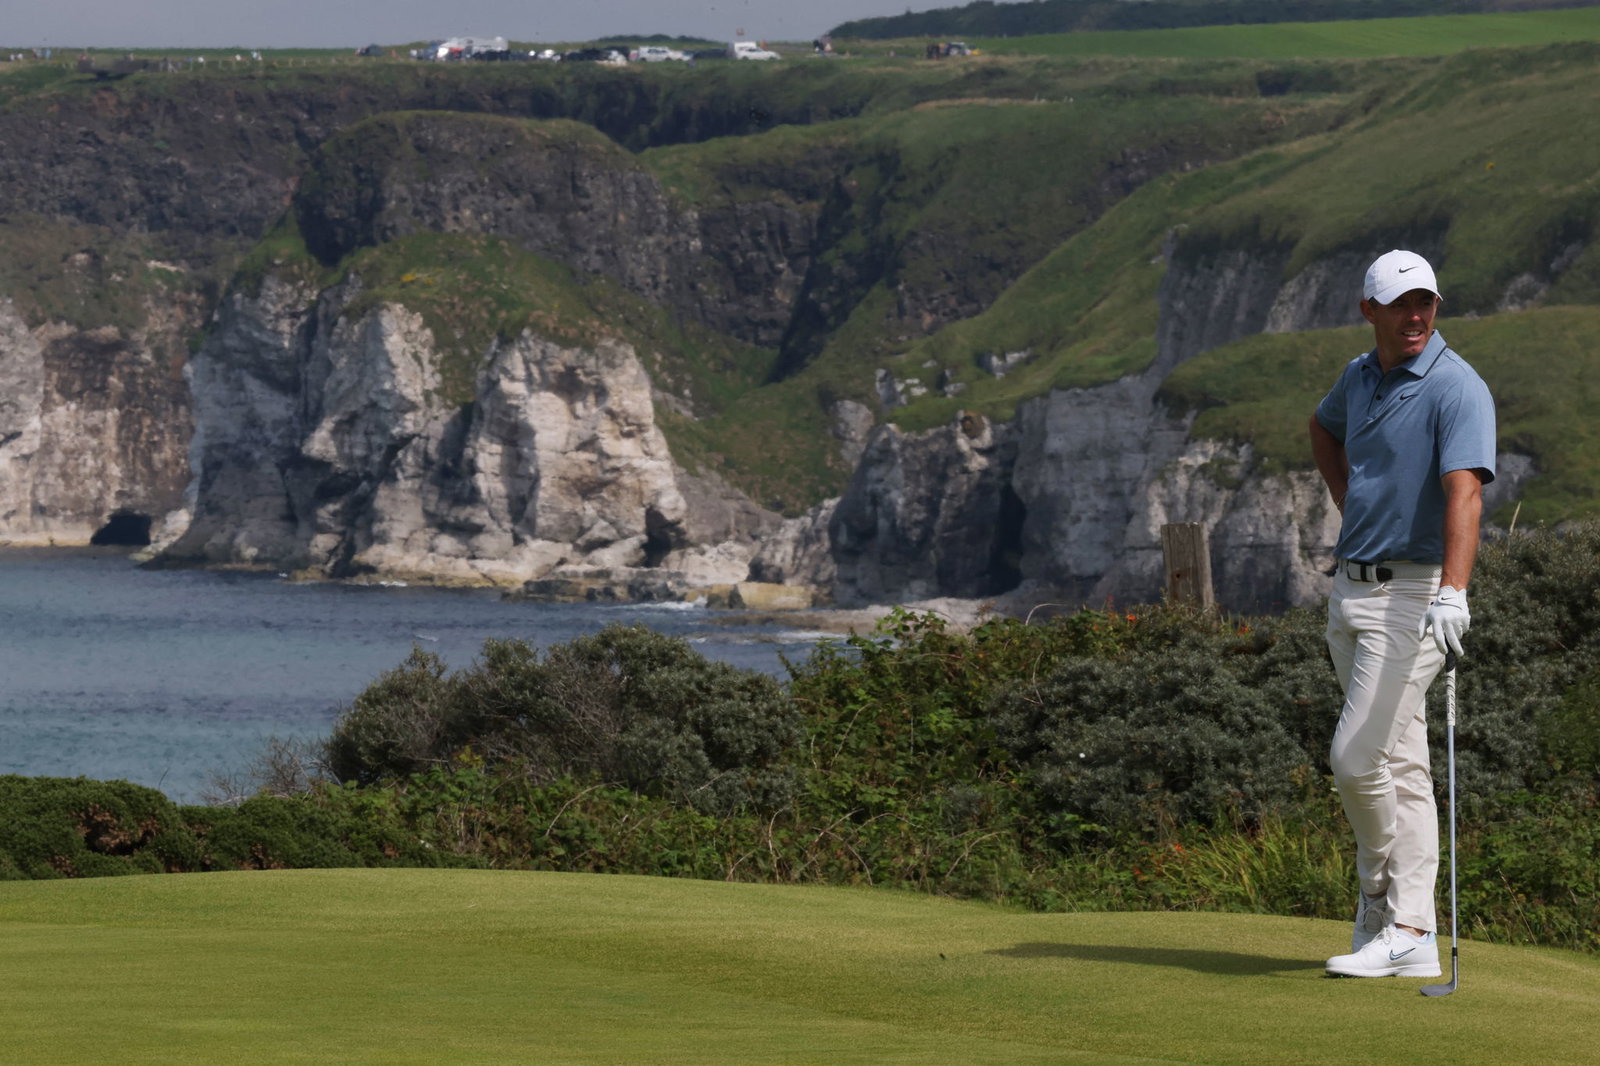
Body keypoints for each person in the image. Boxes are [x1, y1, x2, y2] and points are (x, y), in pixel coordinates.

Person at [1308, 249, 1496, 979]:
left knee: (1355, 759)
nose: (1416, 316)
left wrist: (1454, 590)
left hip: (1414, 598)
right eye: (1401, 304)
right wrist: (1350, 503)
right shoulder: (1358, 378)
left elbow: (1465, 492)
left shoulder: (1456, 386)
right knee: (1401, 766)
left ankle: (1384, 903)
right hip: (1350, 593)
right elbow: (1321, 429)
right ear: (1371, 312)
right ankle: (1411, 936)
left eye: (1427, 303)